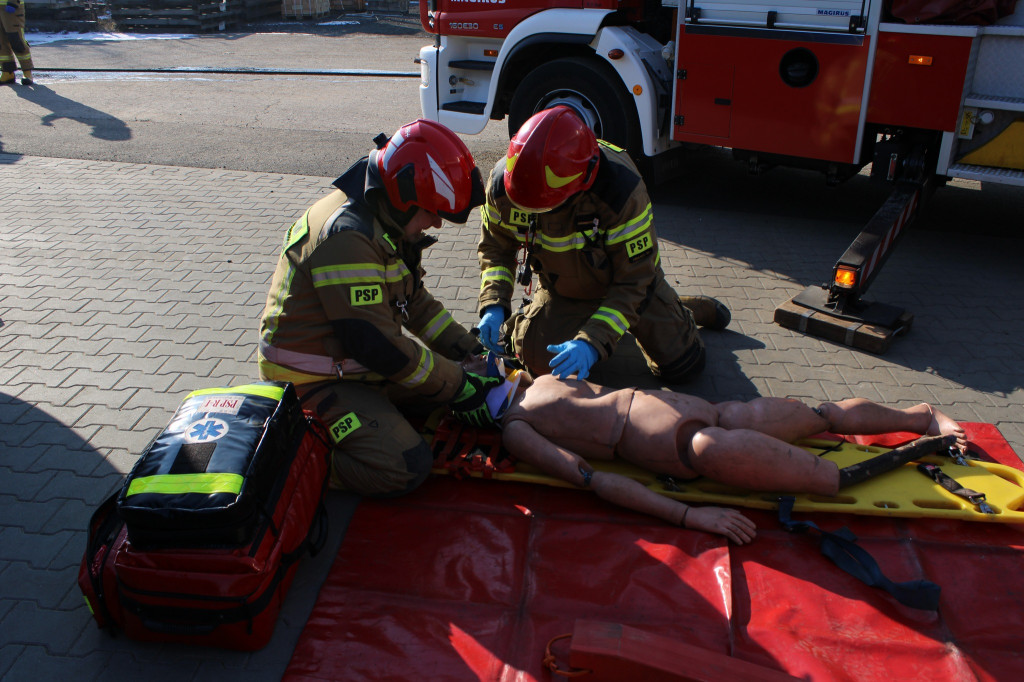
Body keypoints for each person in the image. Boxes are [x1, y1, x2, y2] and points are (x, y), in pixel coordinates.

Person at [460, 357, 966, 545]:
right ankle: (920, 425)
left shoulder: (534, 380)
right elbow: (593, 480)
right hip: (689, 439)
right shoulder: (518, 427)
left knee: (822, 417)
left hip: (695, 415)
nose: (480, 359)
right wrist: (687, 515)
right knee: (824, 468)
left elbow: (595, 477)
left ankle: (920, 417)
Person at [258, 119, 502, 498]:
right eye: (433, 211)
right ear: (406, 197)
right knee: (405, 464)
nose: (437, 221)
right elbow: (377, 345)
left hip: (352, 364)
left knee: (444, 392)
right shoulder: (348, 238)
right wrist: (458, 386)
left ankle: (378, 416)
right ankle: (302, 457)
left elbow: (415, 303)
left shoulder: (385, 220)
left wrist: (469, 352)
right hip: (311, 382)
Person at [474, 105, 730, 385]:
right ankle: (589, 324)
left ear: (580, 184)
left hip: (631, 290)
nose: (537, 213)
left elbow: (634, 281)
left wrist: (591, 342)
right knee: (538, 361)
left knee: (684, 366)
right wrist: (494, 305)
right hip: (565, 291)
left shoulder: (620, 190)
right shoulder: (505, 185)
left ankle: (681, 310)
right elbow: (496, 249)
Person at [1, 0, 33, 86]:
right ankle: (7, 72)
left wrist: (13, 2)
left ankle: (27, 71)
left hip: (12, 8)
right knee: (1, 43)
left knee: (16, 40)